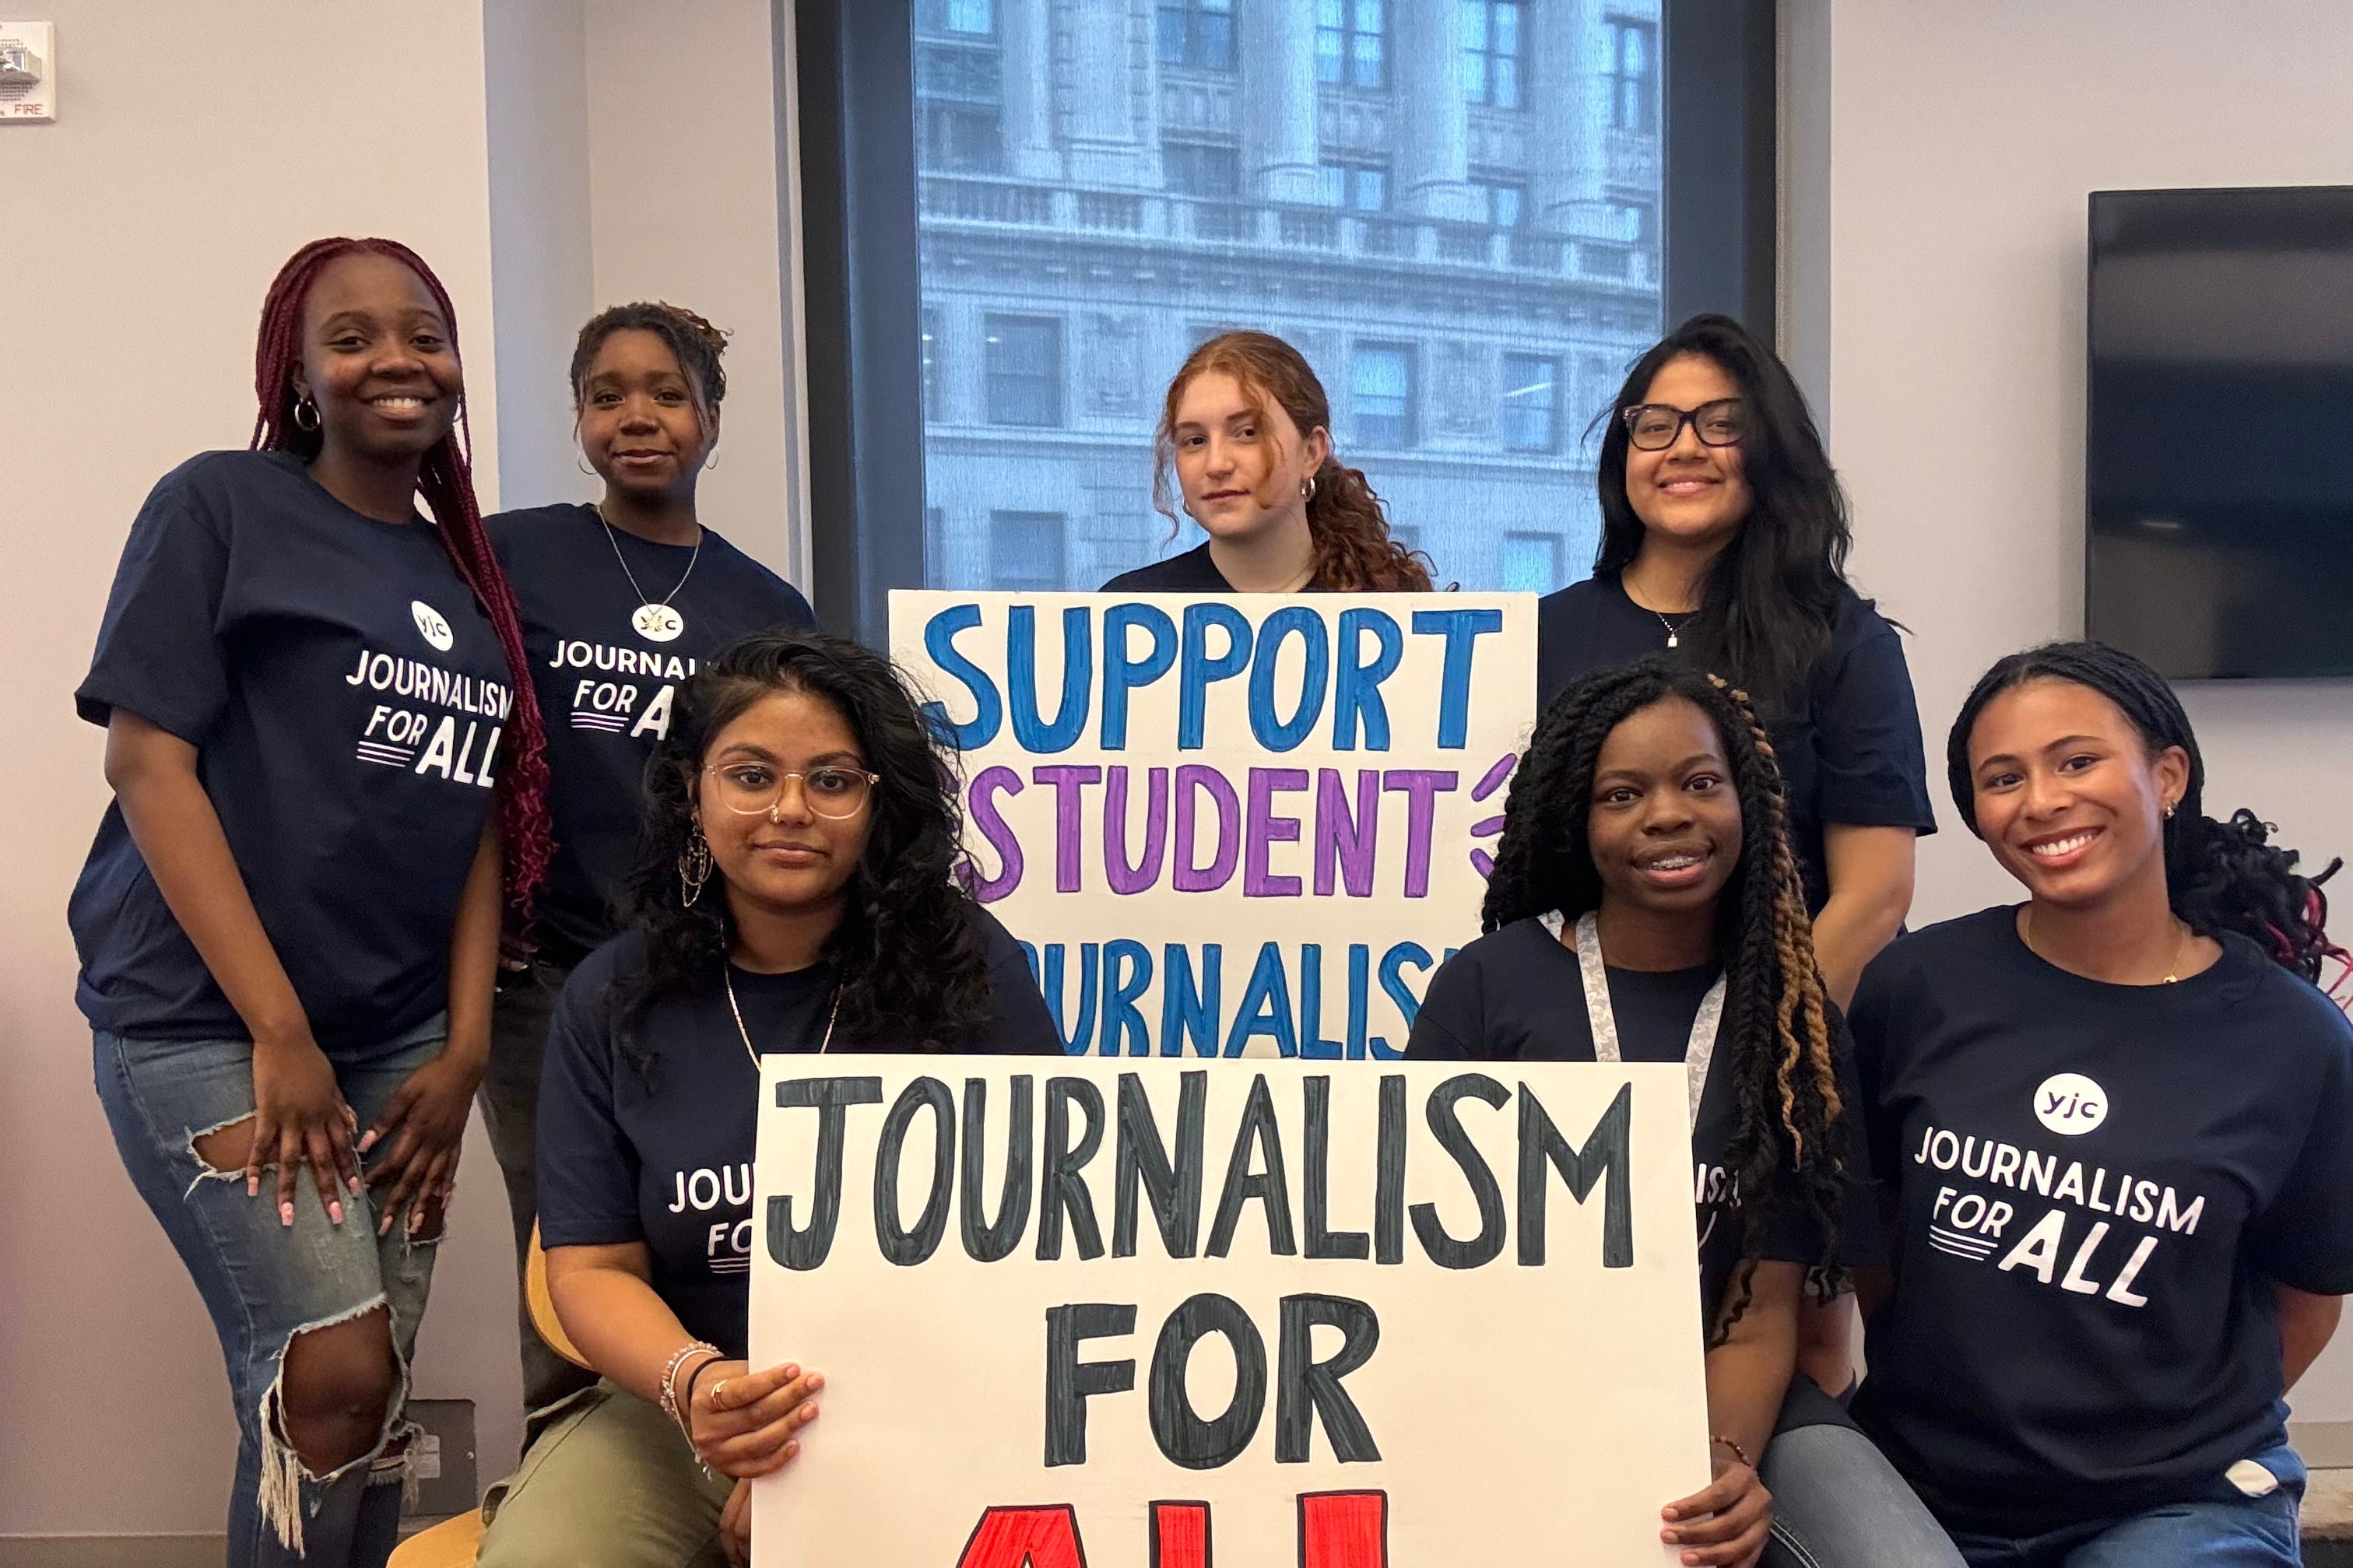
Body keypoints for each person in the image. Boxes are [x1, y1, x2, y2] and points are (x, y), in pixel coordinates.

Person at [72, 238, 552, 1567]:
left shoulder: (464, 580)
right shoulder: (220, 506)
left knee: (370, 1393)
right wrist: (279, 1030)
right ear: (297, 371)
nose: (395, 360)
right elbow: (148, 763)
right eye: (352, 338)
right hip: (206, 1021)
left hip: (399, 1041)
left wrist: (461, 1051)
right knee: (324, 1377)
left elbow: (471, 827)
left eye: (424, 334)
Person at [473, 630, 1061, 1568]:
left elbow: (1035, 1242)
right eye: (750, 775)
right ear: (693, 792)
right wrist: (702, 1389)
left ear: (880, 803)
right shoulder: (609, 995)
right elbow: (588, 1269)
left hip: (929, 1397)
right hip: (681, 1401)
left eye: (832, 780)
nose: (790, 808)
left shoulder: (969, 967)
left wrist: (824, 1449)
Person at [1407, 659, 1960, 1568]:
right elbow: (1421, 1257)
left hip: (1738, 1397)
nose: (1666, 813)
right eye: (1621, 793)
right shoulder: (1487, 984)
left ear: (1745, 800)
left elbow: (1759, 1311)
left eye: (1700, 782)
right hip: (1516, 1393)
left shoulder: (1789, 1020)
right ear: (1573, 818)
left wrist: (1722, 1458)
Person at [1850, 640, 2353, 1566]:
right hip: (1922, 1486)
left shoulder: (2294, 1041)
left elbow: (2307, 1294)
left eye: (2075, 760)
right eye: (2001, 778)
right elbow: (1878, 1234)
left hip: (2176, 1505)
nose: (2040, 800)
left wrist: (2152, 1446)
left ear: (2166, 775)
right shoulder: (1916, 985)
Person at [482, 301, 817, 1433]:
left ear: (711, 419)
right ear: (577, 416)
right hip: (538, 976)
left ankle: (754, 1435)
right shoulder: (507, 555)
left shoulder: (765, 607)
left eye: (666, 394)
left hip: (703, 971)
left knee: (728, 1218)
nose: (637, 416)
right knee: (563, 1237)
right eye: (606, 394)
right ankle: (571, 1456)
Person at [1536, 314, 1933, 1012]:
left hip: (1788, 1047)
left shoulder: (1844, 640)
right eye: (1655, 425)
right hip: (1591, 1043)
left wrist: (1759, 1057)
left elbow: (1874, 893)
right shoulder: (1546, 632)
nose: (1683, 448)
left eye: (1722, 424)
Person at [1102, 329, 1431, 592]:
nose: (1216, 464)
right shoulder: (1127, 610)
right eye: (1195, 441)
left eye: (1247, 433)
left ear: (1312, 452)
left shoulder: (1394, 608)